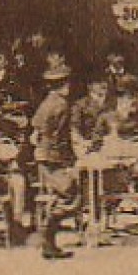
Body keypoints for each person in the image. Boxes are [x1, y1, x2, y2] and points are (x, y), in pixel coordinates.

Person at [30, 62, 81, 261]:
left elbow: (36, 129)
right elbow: (60, 136)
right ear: (64, 85)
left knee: (65, 194)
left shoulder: (46, 102)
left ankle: (48, 241)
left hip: (44, 154)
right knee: (72, 195)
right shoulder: (61, 104)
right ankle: (46, 234)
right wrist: (70, 159)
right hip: (54, 157)